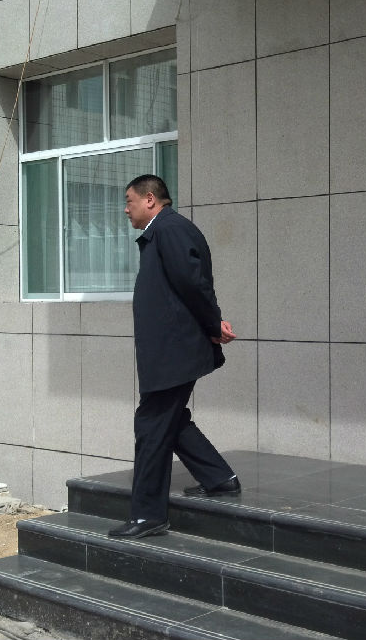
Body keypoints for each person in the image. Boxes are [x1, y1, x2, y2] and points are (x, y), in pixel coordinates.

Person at [108, 174, 240, 539]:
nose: (126, 209)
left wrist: (213, 324)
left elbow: (193, 283)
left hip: (175, 350)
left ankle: (148, 515)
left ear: (150, 199)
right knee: (170, 419)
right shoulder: (162, 232)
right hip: (170, 350)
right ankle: (220, 478)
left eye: (130, 201)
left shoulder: (169, 230)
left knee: (151, 424)